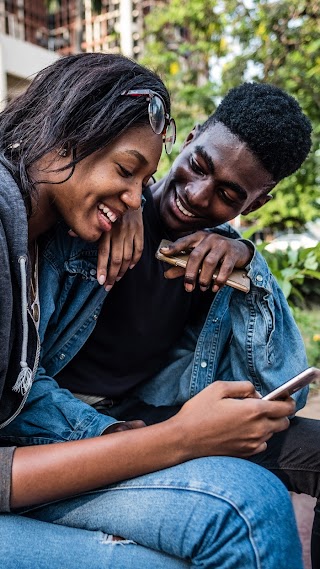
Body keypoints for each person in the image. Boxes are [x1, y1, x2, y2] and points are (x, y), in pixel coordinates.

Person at [0, 54, 303, 569]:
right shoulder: (70, 225)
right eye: (200, 166)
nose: (195, 194)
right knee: (243, 507)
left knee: (298, 458)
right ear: (189, 141)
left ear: (253, 204)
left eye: (229, 194)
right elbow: (27, 391)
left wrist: (252, 269)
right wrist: (165, 439)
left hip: (125, 419)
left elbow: (280, 386)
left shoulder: (212, 255)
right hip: (59, 427)